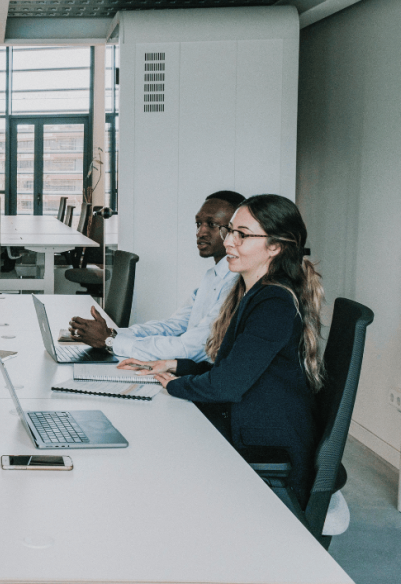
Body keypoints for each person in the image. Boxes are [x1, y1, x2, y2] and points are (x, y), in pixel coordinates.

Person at [124, 194, 324, 504]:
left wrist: (177, 386)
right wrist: (177, 366)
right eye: (230, 231)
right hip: (251, 420)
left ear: (274, 246)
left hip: (265, 438)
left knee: (156, 439)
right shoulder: (255, 293)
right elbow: (232, 369)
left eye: (242, 235)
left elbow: (227, 385)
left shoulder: (274, 303)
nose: (229, 241)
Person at [68, 191, 245, 361]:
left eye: (212, 225)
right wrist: (113, 334)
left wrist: (111, 341)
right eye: (199, 224)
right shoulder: (212, 276)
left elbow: (193, 348)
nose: (200, 233)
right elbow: (173, 326)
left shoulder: (236, 283)